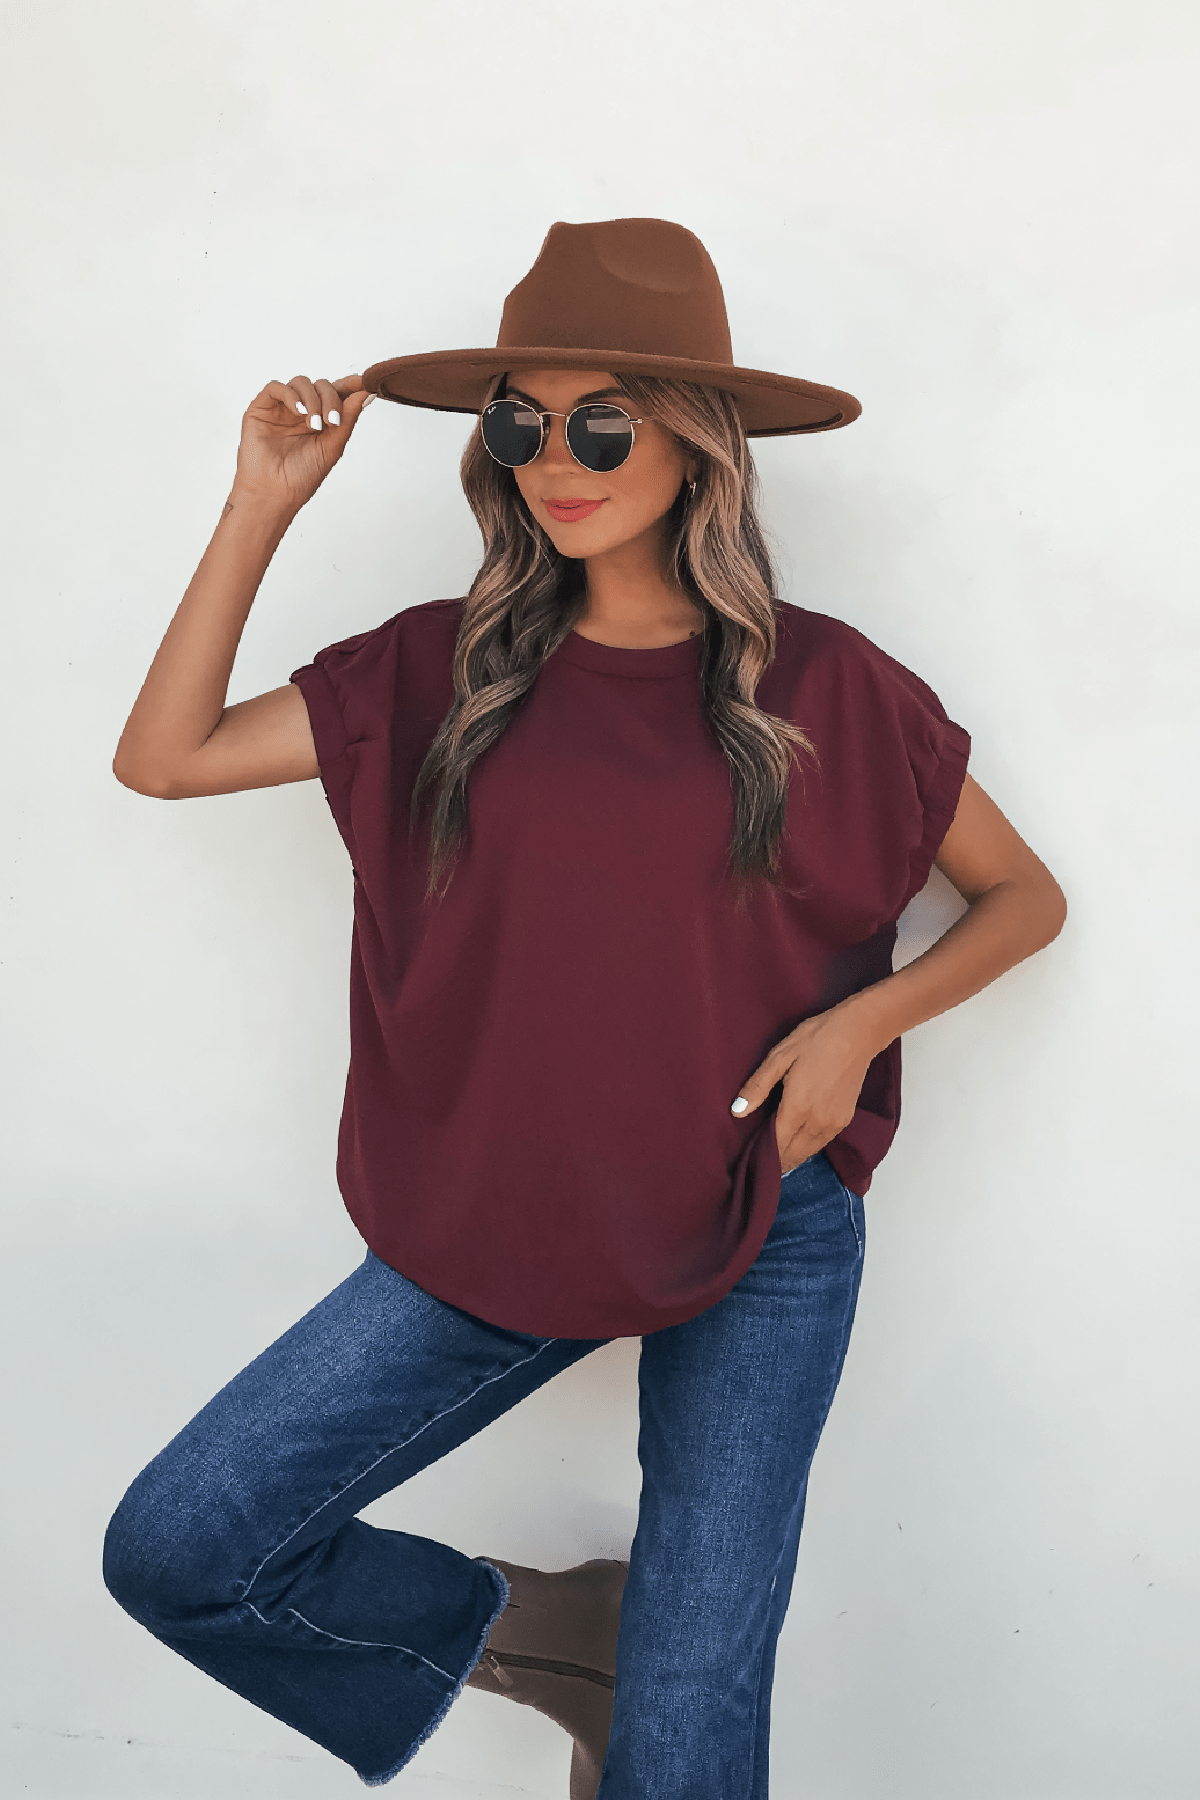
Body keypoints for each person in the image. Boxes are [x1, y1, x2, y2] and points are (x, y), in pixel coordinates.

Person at [102, 218, 1067, 1799]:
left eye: (606, 419)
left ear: (699, 447)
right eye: (522, 421)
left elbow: (1027, 900)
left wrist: (860, 1025)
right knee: (183, 1546)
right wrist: (258, 509)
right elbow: (167, 756)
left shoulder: (830, 687)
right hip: (496, 1212)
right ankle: (558, 1634)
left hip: (770, 1219)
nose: (561, 457)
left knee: (687, 1734)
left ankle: (644, 1668)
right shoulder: (436, 672)